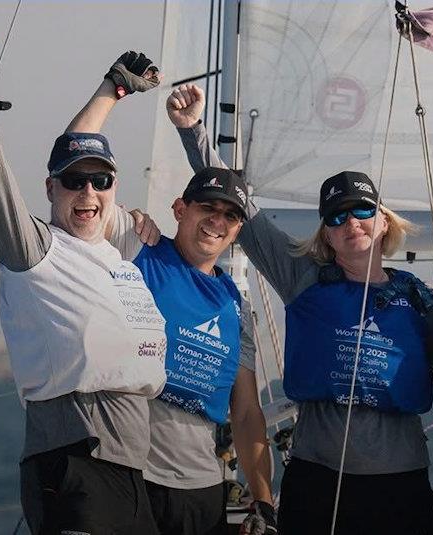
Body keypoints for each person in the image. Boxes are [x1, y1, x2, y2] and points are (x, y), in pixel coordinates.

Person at [174, 86, 433, 535]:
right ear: (326, 236)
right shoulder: (304, 279)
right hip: (319, 478)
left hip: (401, 483)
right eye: (336, 217)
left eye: (362, 211)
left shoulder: (419, 298)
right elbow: (243, 211)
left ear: (383, 220)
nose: (350, 222)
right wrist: (192, 130)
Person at [0, 22, 171, 535]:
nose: (88, 192)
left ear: (114, 187)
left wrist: (114, 88)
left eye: (100, 180)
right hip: (74, 461)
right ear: (51, 189)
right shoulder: (36, 251)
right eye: (74, 181)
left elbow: (77, 146)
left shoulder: (120, 252)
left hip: (133, 470)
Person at [67, 78, 276, 535]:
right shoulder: (136, 245)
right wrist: (111, 90)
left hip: (200, 491)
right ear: (180, 209)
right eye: (207, 208)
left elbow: (245, 412)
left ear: (238, 230)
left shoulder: (236, 306)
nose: (217, 221)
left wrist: (263, 500)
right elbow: (75, 164)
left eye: (230, 215)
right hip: (126, 477)